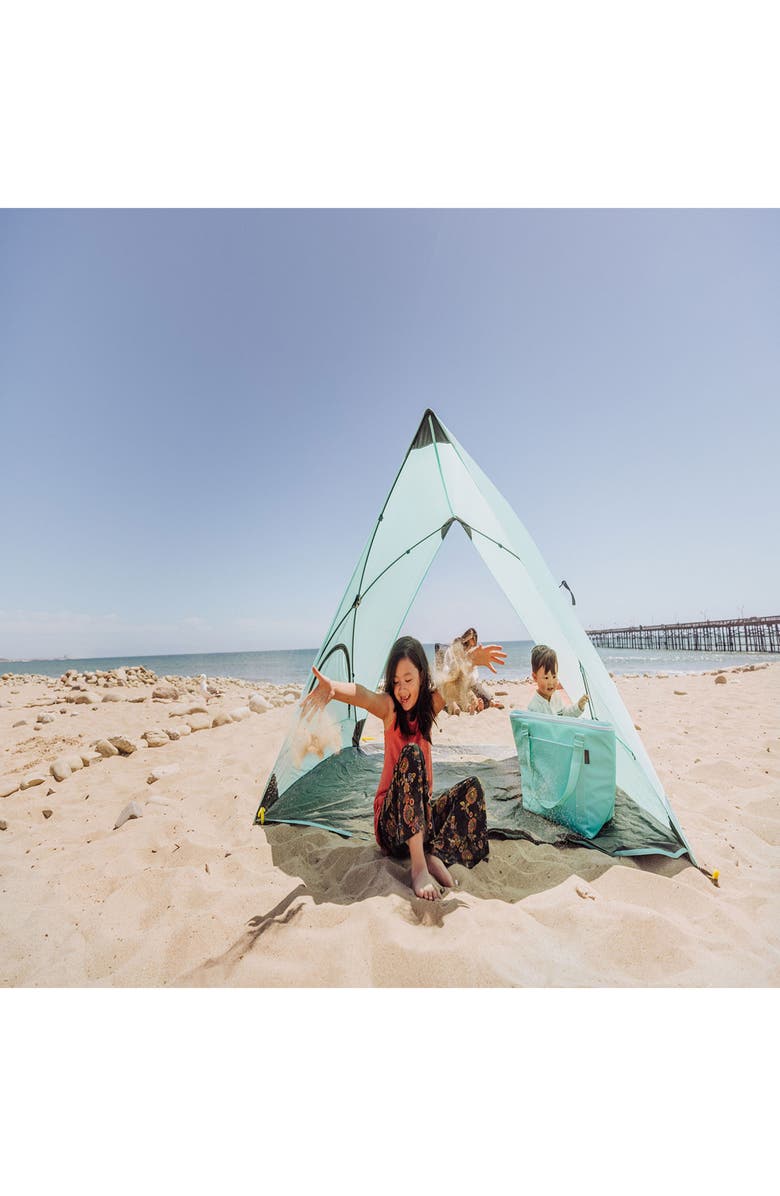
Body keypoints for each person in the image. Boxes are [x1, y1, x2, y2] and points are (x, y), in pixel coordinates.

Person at [301, 634, 505, 901]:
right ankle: (419, 866)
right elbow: (363, 694)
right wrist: (334, 689)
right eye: (396, 682)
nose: (402, 689)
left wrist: (470, 660)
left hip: (422, 819)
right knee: (412, 753)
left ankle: (434, 854)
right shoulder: (390, 710)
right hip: (391, 826)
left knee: (472, 789)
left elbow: (454, 681)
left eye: (408, 680)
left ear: (422, 675)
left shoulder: (429, 707)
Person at [527, 644, 588, 717]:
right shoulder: (534, 708)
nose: (551, 682)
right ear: (535, 677)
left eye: (554, 676)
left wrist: (578, 707)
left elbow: (564, 716)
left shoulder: (556, 697)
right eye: (546, 678)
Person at [455, 627, 505, 711]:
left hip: (472, 682)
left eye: (474, 636)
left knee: (481, 692)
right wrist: (466, 639)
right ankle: (477, 707)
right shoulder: (458, 646)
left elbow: (474, 674)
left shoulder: (475, 650)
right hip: (460, 683)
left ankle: (490, 702)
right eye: (471, 636)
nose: (472, 638)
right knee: (465, 696)